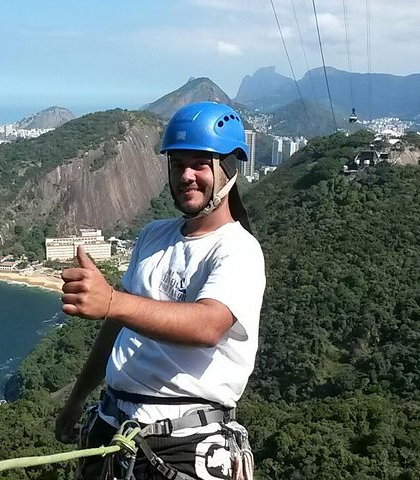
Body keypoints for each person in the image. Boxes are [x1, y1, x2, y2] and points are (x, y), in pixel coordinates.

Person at [55, 102, 266, 480]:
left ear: (230, 169)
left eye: (200, 163)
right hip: (110, 429)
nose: (186, 175)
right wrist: (77, 399)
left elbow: (208, 325)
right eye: (176, 163)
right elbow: (115, 327)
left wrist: (113, 302)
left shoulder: (238, 249)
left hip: (183, 444)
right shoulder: (154, 235)